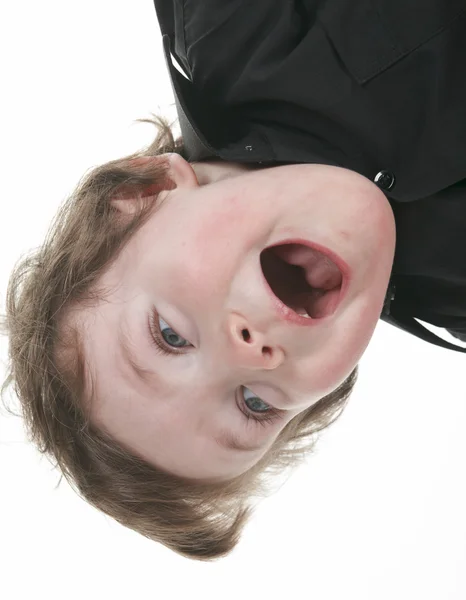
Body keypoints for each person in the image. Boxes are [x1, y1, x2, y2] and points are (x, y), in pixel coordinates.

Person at [1, 0, 466, 561]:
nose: (251, 354)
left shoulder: (232, 26)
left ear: (146, 196)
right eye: (252, 403)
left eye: (170, 335)